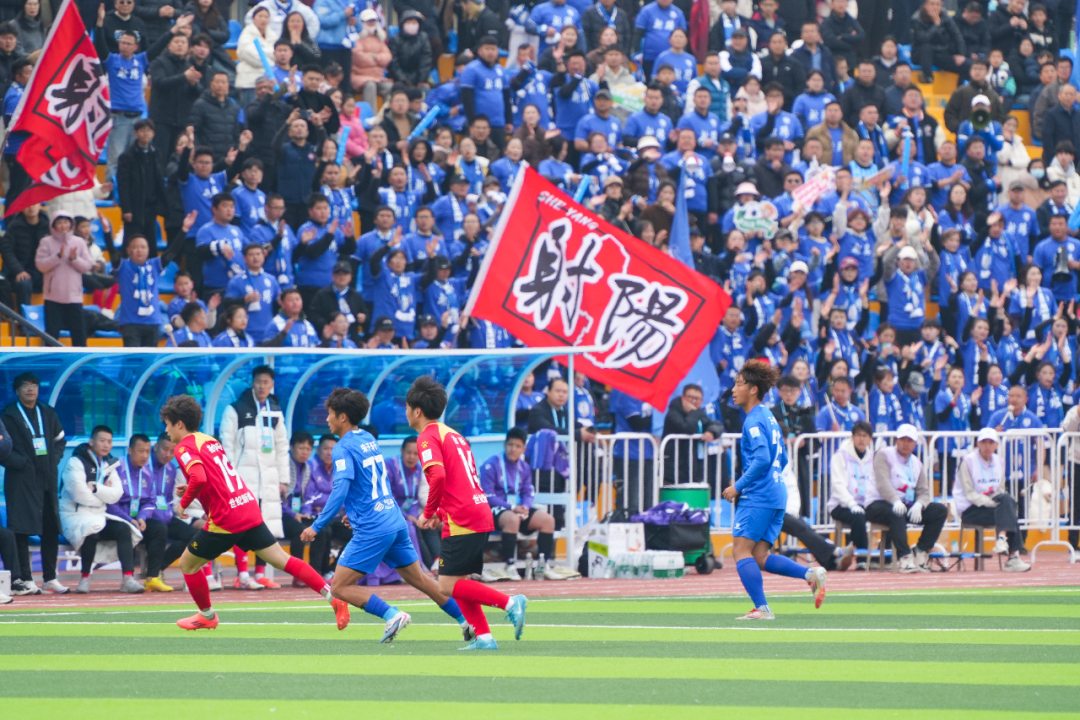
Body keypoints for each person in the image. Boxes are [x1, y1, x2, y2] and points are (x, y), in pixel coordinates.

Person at [292, 388, 474, 640]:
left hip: (374, 526)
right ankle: (466, 621)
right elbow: (375, 481)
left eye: (330, 413)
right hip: (394, 519)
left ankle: (392, 615)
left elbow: (341, 488)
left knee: (340, 586)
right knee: (421, 579)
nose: (327, 419)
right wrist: (354, 512)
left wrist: (317, 525)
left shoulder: (342, 448)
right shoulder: (368, 438)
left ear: (343, 417)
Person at [160, 395, 347, 629]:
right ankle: (333, 597)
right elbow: (216, 479)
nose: (166, 430)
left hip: (227, 518)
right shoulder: (208, 440)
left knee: (188, 564)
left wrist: (183, 503)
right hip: (246, 506)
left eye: (167, 424)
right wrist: (192, 489)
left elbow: (200, 477)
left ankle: (207, 616)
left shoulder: (183, 447)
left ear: (179, 424)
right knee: (283, 560)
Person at [408, 376, 528, 650]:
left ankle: (510, 603)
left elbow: (438, 476)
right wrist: (440, 511)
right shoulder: (453, 434)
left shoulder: (427, 437)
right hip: (474, 509)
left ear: (416, 411)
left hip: (463, 517)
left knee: (446, 586)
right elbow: (459, 480)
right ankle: (484, 637)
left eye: (407, 406)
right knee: (457, 580)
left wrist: (428, 511)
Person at [722, 360, 826, 620]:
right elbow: (782, 459)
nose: (733, 389)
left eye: (739, 384)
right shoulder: (770, 416)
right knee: (759, 555)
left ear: (753, 389)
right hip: (777, 493)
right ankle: (810, 574)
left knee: (740, 551)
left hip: (759, 495)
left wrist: (737, 486)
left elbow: (762, 459)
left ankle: (762, 608)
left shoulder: (753, 421)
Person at [59, 426, 146, 595]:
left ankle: (128, 579)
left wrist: (96, 488)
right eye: (102, 440)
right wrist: (103, 495)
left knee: (124, 529)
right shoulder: (75, 462)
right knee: (90, 530)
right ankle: (85, 578)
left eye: (109, 441)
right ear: (91, 442)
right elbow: (79, 494)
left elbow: (117, 494)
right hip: (75, 516)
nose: (106, 445)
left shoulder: (109, 464)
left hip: (99, 514)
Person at [2, 373, 67, 594]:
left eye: (34, 385)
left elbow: (60, 441)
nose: (31, 389)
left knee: (50, 528)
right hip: (20, 481)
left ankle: (50, 578)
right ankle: (26, 579)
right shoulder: (8, 415)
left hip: (46, 480)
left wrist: (52, 461)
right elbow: (2, 450)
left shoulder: (47, 412)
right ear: (17, 390)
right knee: (21, 529)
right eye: (25, 385)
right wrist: (22, 463)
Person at [867, 422, 948, 572]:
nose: (906, 443)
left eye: (910, 440)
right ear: (896, 440)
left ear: (915, 443)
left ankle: (920, 550)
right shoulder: (883, 455)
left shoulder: (917, 463)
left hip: (906, 504)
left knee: (939, 510)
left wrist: (919, 504)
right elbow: (883, 484)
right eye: (902, 439)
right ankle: (904, 556)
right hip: (878, 503)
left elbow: (923, 491)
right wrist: (895, 501)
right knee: (897, 512)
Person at [954, 427, 1031, 571]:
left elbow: (1000, 489)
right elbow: (969, 493)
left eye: (991, 442)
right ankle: (1012, 556)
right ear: (978, 443)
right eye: (984, 442)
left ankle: (1004, 542)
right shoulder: (968, 462)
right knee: (1008, 509)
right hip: (970, 508)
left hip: (992, 505)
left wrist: (996, 502)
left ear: (996, 445)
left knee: (1007, 503)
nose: (987, 446)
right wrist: (991, 503)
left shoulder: (999, 462)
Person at [35, 212, 93, 346]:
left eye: (66, 222)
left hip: (74, 296)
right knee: (51, 335)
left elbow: (87, 266)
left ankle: (80, 358)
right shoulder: (46, 242)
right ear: (53, 225)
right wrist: (57, 257)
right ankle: (51, 359)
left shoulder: (79, 242)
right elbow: (40, 265)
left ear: (71, 224)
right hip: (53, 297)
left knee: (79, 334)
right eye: (59, 222)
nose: (63, 225)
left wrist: (74, 259)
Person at [827, 421, 874, 557]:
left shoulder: (873, 457)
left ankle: (885, 558)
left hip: (866, 503)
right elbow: (838, 485)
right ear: (852, 437)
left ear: (870, 439)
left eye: (865, 436)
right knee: (858, 517)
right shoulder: (840, 456)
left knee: (890, 514)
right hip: (841, 505)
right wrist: (851, 503)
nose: (861, 439)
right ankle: (862, 558)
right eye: (858, 435)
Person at [910, 0, 969, 84]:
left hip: (941, 53)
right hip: (922, 54)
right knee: (926, 46)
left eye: (938, 5)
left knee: (968, 65)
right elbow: (924, 39)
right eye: (932, 4)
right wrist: (936, 24)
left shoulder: (945, 17)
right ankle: (928, 78)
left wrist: (961, 54)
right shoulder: (917, 19)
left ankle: (959, 87)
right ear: (926, 5)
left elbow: (957, 36)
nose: (935, 7)